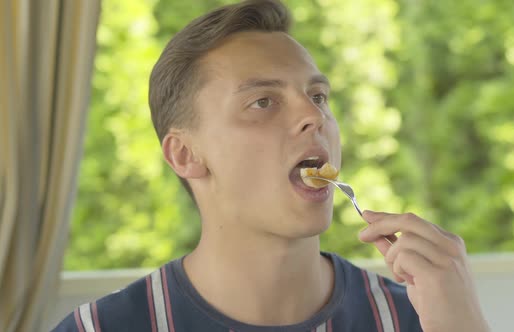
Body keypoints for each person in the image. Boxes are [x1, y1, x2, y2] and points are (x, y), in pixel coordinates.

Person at [52, 0, 490, 331]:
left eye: (318, 96)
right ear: (185, 155)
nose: (315, 116)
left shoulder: (420, 318)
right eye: (263, 102)